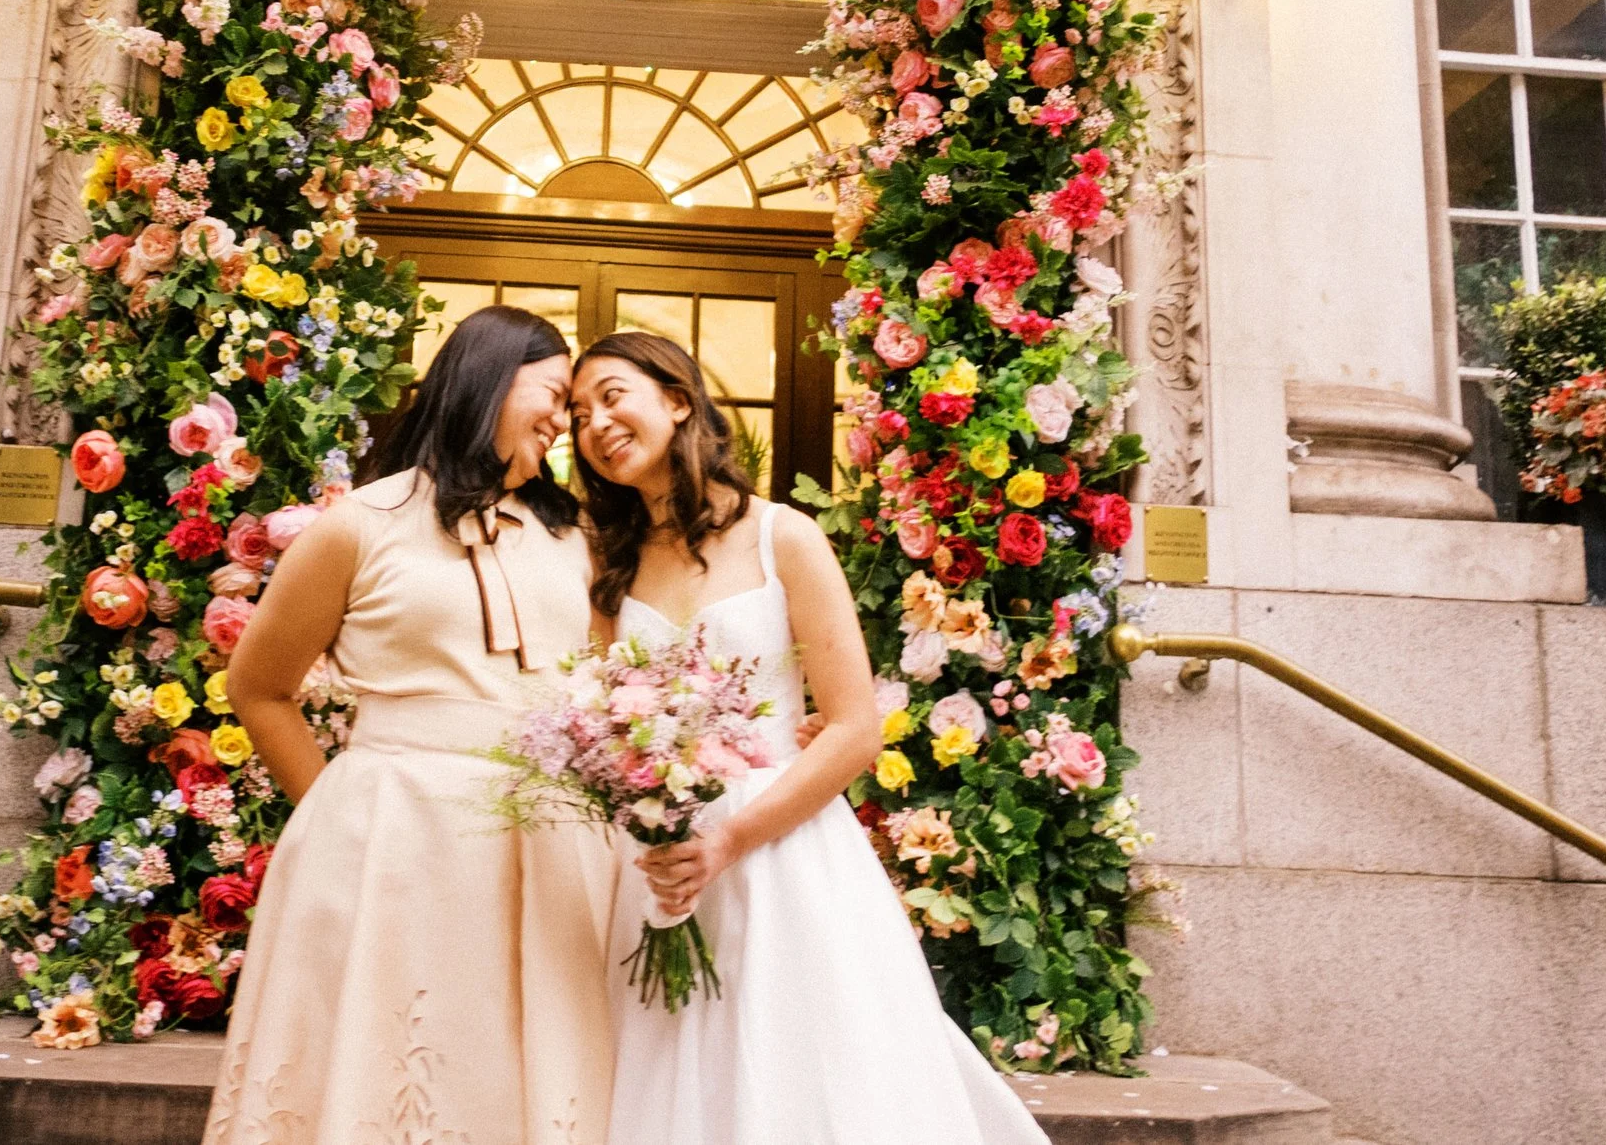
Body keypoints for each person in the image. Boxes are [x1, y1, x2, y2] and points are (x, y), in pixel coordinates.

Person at [570, 330, 1051, 1145]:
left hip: (781, 853)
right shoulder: (609, 566)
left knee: (801, 1075)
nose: (596, 425)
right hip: (659, 862)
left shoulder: (781, 535)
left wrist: (728, 839)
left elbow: (856, 726)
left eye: (612, 396)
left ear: (678, 400)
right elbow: (599, 716)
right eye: (580, 414)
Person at [204, 305, 617, 1145]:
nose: (564, 421)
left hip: (549, 848)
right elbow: (259, 686)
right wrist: (339, 809)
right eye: (553, 394)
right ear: (490, 377)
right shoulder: (359, 525)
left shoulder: (579, 536)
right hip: (391, 847)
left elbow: (609, 688)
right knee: (387, 1057)